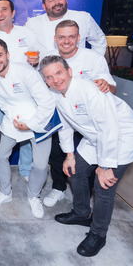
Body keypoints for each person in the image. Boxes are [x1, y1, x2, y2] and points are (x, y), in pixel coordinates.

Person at [40, 55, 133, 257]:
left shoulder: (91, 91)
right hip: (96, 137)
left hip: (123, 137)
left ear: (69, 71)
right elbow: (64, 126)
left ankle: (98, 234)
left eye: (58, 73)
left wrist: (105, 165)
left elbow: (109, 128)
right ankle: (82, 213)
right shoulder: (55, 94)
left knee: (103, 184)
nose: (55, 79)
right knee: (76, 170)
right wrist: (70, 155)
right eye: (49, 77)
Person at [0, 39, 55, 218]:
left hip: (39, 121)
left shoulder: (26, 72)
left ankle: (34, 196)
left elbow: (47, 102)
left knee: (41, 165)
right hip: (12, 123)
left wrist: (31, 124)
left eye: (0, 55)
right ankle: (5, 192)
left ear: (8, 55)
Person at [40, 20, 116, 208]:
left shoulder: (94, 58)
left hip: (90, 119)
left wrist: (107, 86)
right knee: (58, 152)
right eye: (62, 37)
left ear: (79, 38)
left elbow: (111, 87)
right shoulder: (49, 60)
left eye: (71, 36)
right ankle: (58, 188)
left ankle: (86, 193)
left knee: (90, 159)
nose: (66, 41)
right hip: (64, 114)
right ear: (55, 39)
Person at [25, 0, 107, 57]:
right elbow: (23, 46)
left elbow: (99, 41)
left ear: (66, 0)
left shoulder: (83, 17)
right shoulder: (33, 24)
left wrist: (94, 62)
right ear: (44, 6)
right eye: (51, 0)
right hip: (46, 72)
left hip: (78, 71)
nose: (57, 2)